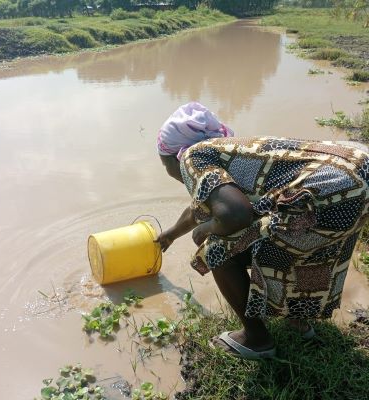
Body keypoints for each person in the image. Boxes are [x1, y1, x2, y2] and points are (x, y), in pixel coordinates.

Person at [156, 102, 369, 360]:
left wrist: (207, 229)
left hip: (330, 189)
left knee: (217, 248)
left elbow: (233, 214)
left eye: (164, 163)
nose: (168, 172)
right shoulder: (225, 151)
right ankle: (299, 322)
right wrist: (169, 235)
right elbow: (200, 208)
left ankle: (257, 339)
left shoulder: (192, 156)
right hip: (358, 170)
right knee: (308, 243)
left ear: (173, 155)